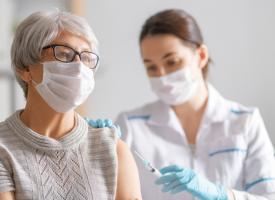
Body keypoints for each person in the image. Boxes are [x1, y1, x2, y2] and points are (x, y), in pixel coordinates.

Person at [113, 9, 275, 199]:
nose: (162, 76)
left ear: (201, 56)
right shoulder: (130, 126)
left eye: (172, 62)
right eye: (151, 67)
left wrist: (221, 194)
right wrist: (91, 144)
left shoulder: (245, 122)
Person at [0, 10, 142, 200]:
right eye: (64, 54)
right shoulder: (4, 147)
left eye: (86, 58)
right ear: (25, 69)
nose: (78, 67)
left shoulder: (113, 150)